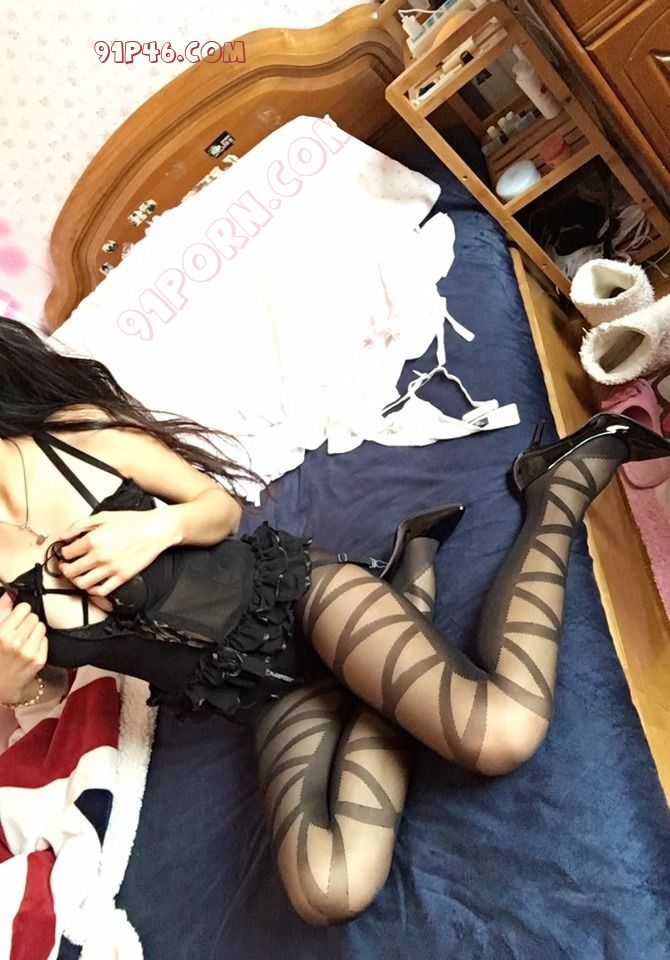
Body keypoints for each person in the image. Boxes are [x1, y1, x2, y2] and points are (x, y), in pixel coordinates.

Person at [1, 315, 668, 926]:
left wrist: (159, 528)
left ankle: (555, 491)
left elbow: (219, 508)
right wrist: (12, 684)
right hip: (258, 696)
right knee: (328, 891)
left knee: (502, 734)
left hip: (298, 602)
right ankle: (406, 592)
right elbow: (49, 687)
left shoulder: (78, 437)